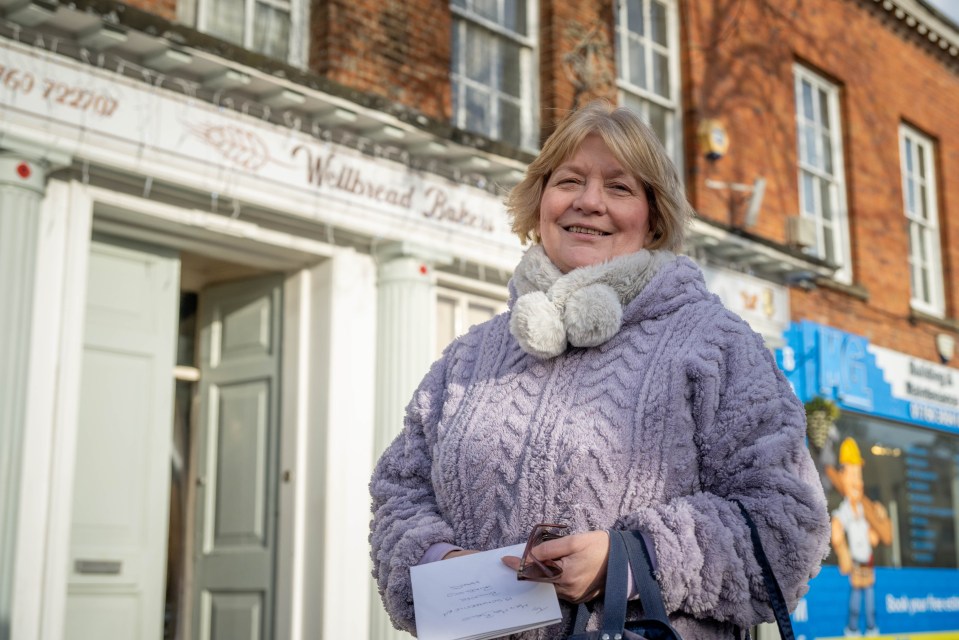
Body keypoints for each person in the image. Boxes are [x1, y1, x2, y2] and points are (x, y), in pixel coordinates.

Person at [369, 100, 830, 639]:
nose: (589, 202)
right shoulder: (468, 357)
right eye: (569, 181)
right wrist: (437, 558)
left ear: (653, 216)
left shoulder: (716, 343)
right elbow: (398, 492)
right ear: (539, 200)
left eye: (619, 187)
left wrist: (631, 560)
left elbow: (788, 520)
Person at [831, 438, 891, 637]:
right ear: (842, 476)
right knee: (856, 602)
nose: (858, 482)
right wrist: (842, 550)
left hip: (869, 563)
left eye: (860, 475)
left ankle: (872, 629)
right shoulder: (846, 510)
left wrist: (880, 518)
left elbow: (874, 538)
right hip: (856, 565)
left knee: (870, 602)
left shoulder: (865, 512)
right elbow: (837, 528)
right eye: (853, 474)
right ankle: (853, 629)